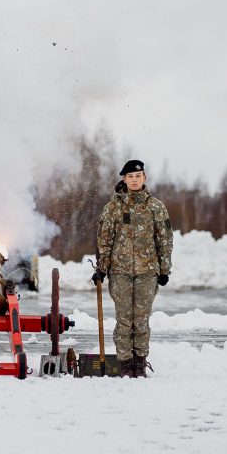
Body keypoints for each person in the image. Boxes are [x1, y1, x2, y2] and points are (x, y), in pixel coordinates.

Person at [93, 159, 173, 377]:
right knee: (124, 320)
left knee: (141, 320)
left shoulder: (155, 207)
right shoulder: (113, 208)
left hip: (148, 272)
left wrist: (164, 269)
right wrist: (102, 268)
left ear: (144, 178)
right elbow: (105, 241)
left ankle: (140, 363)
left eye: (138, 176)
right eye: (130, 177)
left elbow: (164, 239)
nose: (134, 180)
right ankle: (126, 364)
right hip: (120, 272)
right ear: (124, 179)